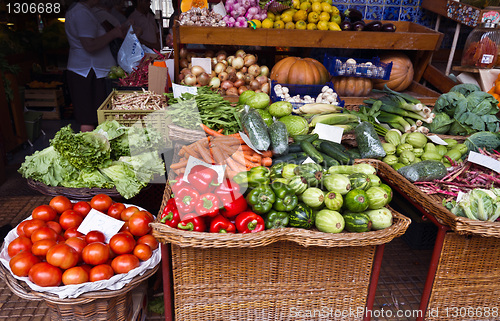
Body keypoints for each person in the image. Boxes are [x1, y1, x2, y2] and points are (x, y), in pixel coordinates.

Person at [65, 0, 126, 132]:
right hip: (87, 72)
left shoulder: (85, 11)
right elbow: (90, 45)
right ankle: (90, 150)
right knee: (89, 119)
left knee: (96, 118)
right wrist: (114, 33)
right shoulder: (81, 12)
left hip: (91, 71)